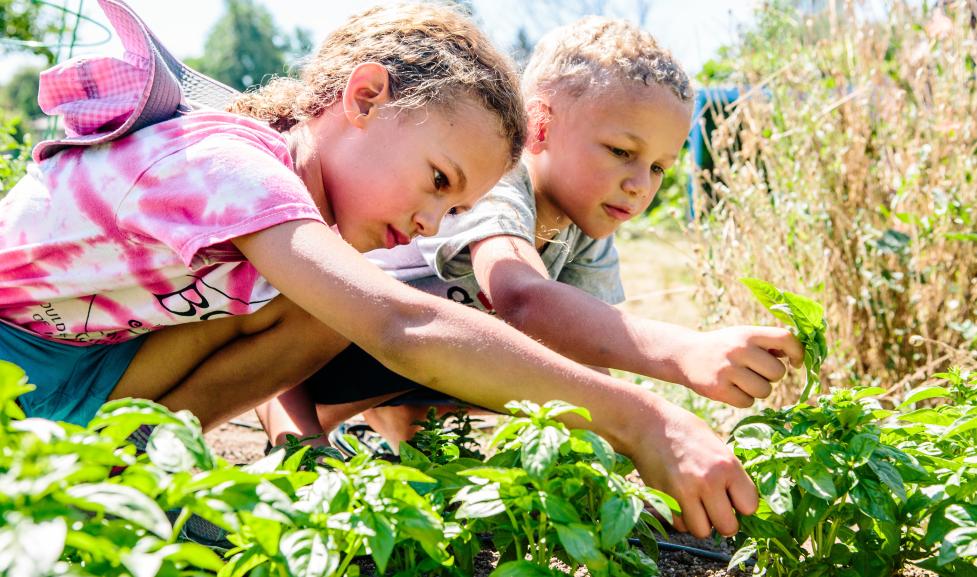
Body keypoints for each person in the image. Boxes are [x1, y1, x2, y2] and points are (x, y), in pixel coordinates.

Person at [0, 2, 781, 540]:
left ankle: (116, 468)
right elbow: (401, 322)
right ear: (364, 96)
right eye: (438, 182)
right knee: (359, 303)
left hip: (77, 380)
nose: (429, 224)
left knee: (318, 307)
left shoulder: (293, 208)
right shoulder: (226, 163)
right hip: (15, 365)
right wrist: (640, 416)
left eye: (454, 209)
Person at [257, 16, 805, 538]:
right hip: (332, 352)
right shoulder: (493, 178)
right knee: (319, 421)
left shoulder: (590, 224)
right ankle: (300, 442)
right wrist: (683, 352)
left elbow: (585, 363)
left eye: (660, 167)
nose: (641, 184)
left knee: (545, 379)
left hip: (432, 360)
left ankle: (402, 438)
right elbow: (521, 299)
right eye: (621, 152)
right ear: (540, 125)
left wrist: (625, 482)